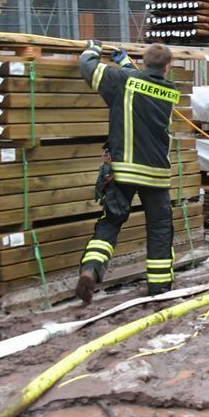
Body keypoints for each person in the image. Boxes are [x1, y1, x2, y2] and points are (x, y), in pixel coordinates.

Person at [75, 41, 180, 304]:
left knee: (111, 222)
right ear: (168, 67)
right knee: (159, 228)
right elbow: (142, 82)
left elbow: (88, 68)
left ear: (144, 63)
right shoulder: (169, 91)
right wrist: (125, 63)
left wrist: (92, 48)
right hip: (155, 174)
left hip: (122, 172)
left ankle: (92, 268)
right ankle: (159, 287)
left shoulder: (122, 81)